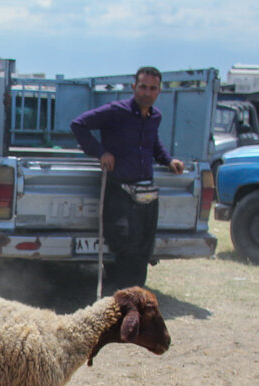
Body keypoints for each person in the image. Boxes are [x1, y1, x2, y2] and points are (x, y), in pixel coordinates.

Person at [70, 66, 184, 291]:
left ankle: (134, 297)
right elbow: (78, 125)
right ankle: (118, 302)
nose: (147, 92)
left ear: (159, 91)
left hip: (147, 195)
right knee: (125, 250)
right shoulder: (116, 111)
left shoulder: (155, 116)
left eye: (152, 88)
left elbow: (153, 144)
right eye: (142, 87)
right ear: (134, 87)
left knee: (143, 250)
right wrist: (101, 152)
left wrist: (169, 161)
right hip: (119, 192)